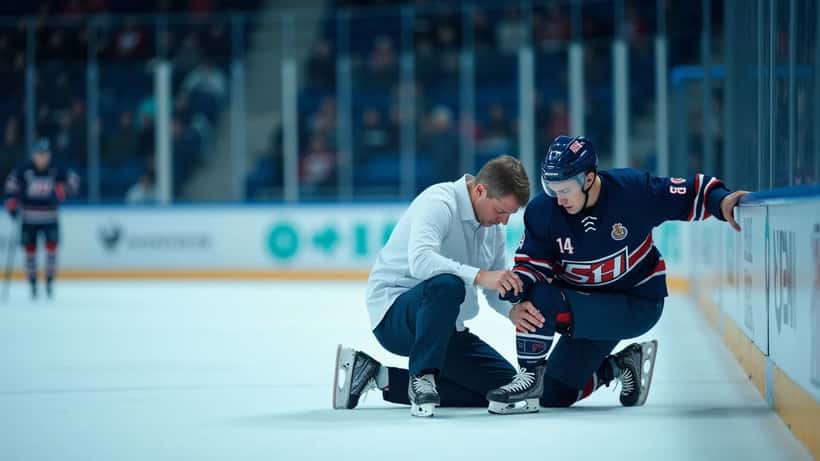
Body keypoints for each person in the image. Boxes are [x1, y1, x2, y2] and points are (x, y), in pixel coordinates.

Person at [485, 135, 749, 414]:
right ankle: (620, 366)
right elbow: (532, 265)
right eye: (551, 189)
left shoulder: (633, 191)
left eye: (565, 189)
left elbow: (694, 192)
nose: (558, 199)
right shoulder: (543, 211)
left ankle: (528, 376)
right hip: (584, 306)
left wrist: (722, 201)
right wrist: (519, 283)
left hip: (635, 305)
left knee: (542, 298)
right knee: (553, 393)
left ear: (588, 179)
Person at [334, 155, 531, 417]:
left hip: (447, 327)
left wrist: (512, 311)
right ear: (480, 190)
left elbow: (493, 288)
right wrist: (482, 275)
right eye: (501, 211)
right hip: (395, 315)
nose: (504, 221)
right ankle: (423, 377)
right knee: (447, 285)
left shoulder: (492, 227)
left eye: (510, 214)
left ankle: (379, 376)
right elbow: (421, 261)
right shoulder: (438, 201)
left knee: (504, 389)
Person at [4, 138, 80, 299]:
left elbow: (74, 181)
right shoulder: (23, 169)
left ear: (49, 155)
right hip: (28, 218)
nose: (42, 158)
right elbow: (11, 185)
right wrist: (12, 203)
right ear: (33, 155)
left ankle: (49, 281)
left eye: (45, 155)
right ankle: (33, 283)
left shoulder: (56, 168)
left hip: (50, 217)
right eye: (39, 155)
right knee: (29, 251)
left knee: (51, 250)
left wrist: (61, 192)